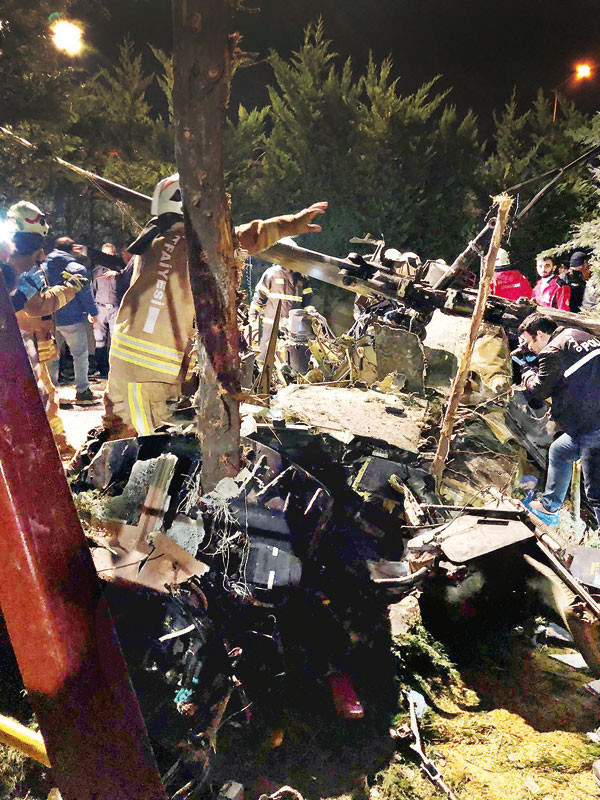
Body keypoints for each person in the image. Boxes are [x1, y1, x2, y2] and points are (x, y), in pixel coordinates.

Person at [101, 173, 328, 438]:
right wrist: (291, 224)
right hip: (146, 375)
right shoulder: (190, 246)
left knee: (128, 438)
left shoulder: (154, 241)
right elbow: (243, 237)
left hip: (139, 370)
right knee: (147, 447)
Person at [5, 201, 88, 457]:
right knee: (44, 396)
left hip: (24, 340)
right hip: (26, 343)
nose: (42, 256)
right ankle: (56, 448)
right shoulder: (21, 262)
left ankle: (55, 446)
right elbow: (38, 305)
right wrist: (70, 289)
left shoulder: (10, 257)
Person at [515, 313, 600, 528]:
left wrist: (527, 372)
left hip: (593, 427)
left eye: (529, 342)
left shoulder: (551, 352)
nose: (529, 348)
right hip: (587, 421)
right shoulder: (580, 335)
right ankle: (549, 507)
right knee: (560, 451)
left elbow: (539, 391)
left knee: (596, 494)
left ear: (541, 334)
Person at [44, 236, 99, 404]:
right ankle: (82, 391)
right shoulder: (77, 268)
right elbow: (84, 293)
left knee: (51, 356)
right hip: (72, 318)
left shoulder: (43, 266)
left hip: (50, 318)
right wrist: (93, 312)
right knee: (80, 355)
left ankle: (50, 393)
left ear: (55, 248)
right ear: (72, 250)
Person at [249, 237, 314, 361]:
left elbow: (308, 301)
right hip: (271, 327)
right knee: (264, 358)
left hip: (293, 328)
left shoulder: (302, 277)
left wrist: (310, 312)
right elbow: (259, 298)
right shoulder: (271, 274)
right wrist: (252, 317)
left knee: (293, 360)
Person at [89, 242, 129, 377]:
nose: (107, 257)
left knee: (116, 339)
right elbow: (92, 290)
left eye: (110, 254)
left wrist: (119, 274)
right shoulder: (96, 272)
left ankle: (115, 369)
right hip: (100, 309)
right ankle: (102, 369)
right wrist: (90, 311)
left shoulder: (122, 271)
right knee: (99, 341)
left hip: (116, 309)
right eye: (104, 254)